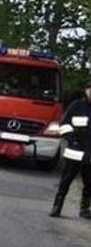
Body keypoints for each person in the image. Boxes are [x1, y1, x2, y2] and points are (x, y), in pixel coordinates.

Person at [49, 82, 91, 218]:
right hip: (74, 151)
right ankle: (57, 207)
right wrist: (72, 139)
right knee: (65, 181)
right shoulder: (76, 106)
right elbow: (63, 124)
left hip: (90, 153)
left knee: (89, 184)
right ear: (86, 90)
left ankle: (84, 209)